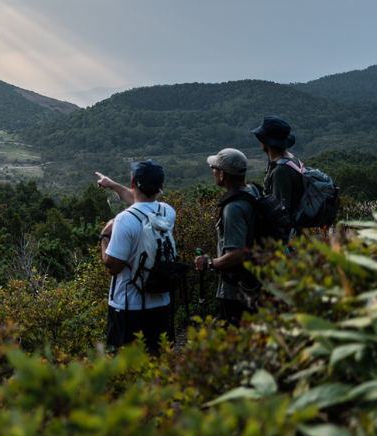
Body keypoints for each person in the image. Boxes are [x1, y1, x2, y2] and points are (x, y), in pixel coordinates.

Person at [96, 160, 177, 354]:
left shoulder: (124, 220)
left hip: (128, 308)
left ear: (133, 184)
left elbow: (112, 266)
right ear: (161, 187)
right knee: (157, 363)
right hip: (162, 304)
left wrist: (105, 236)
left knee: (126, 371)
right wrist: (113, 185)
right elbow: (140, 204)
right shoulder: (167, 212)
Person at [193, 148, 257, 325]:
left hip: (236, 291)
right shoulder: (253, 192)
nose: (213, 172)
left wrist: (209, 263)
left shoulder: (233, 208)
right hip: (257, 284)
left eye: (214, 168)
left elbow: (237, 254)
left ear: (222, 175)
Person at [252, 115, 304, 222]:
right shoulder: (292, 160)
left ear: (266, 142)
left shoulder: (281, 171)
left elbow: (280, 212)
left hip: (288, 235)